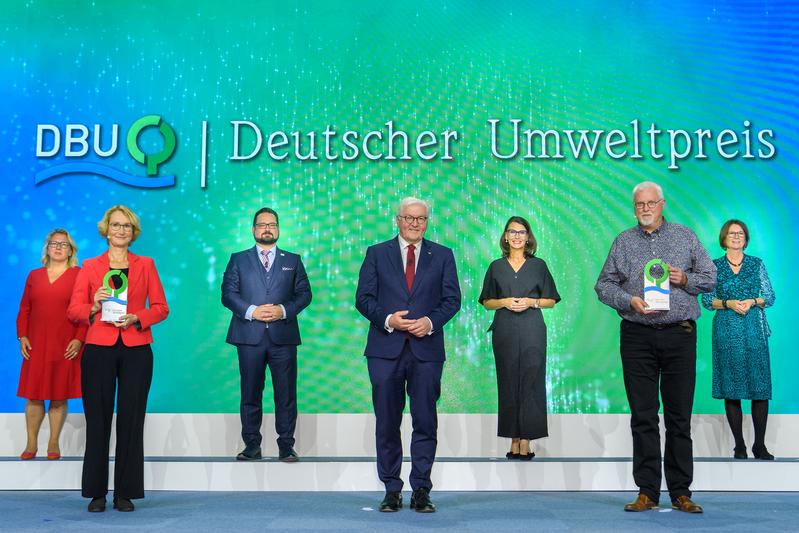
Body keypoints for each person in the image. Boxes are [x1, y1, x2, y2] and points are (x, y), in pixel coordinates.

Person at [595, 182, 716, 514]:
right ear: (634, 208)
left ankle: (681, 492)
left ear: (662, 204)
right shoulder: (623, 241)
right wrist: (628, 300)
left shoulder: (685, 236)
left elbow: (710, 276)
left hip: (680, 335)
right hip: (637, 336)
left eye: (650, 203)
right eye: (639, 205)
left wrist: (685, 280)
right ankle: (647, 491)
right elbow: (603, 285)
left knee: (679, 417)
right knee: (643, 416)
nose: (645, 209)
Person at [355, 197, 461, 513]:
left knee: (425, 421)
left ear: (427, 222)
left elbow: (452, 299)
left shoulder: (442, 255)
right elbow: (363, 298)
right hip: (385, 351)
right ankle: (391, 488)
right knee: (387, 422)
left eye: (421, 219)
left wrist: (430, 323)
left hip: (426, 351)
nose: (415, 224)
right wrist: (388, 319)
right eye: (409, 218)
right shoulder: (377, 253)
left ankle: (421, 490)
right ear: (398, 220)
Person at [68, 205, 169, 513]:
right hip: (98, 347)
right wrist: (94, 306)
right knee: (97, 421)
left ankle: (125, 492)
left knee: (131, 420)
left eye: (127, 226)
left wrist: (138, 317)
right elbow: (73, 311)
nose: (121, 230)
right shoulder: (89, 266)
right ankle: (96, 493)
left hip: (137, 348)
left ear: (133, 232)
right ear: (106, 229)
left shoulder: (146, 264)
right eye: (116, 225)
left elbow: (162, 307)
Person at [221, 207, 312, 463]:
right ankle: (252, 445)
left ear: (279, 229)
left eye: (272, 224)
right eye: (262, 225)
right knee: (250, 393)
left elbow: (305, 295)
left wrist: (283, 310)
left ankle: (286, 445)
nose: (267, 228)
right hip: (248, 336)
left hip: (283, 337)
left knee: (286, 394)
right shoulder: (238, 259)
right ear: (253, 230)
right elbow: (228, 294)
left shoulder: (292, 260)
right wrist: (252, 311)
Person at [479, 216, 560, 460]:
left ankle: (526, 440)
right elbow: (486, 302)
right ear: (505, 236)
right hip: (504, 329)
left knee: (531, 382)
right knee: (508, 382)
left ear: (528, 237)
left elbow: (552, 300)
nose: (516, 236)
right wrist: (504, 301)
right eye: (512, 232)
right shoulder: (496, 266)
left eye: (521, 232)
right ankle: (513, 439)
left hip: (532, 328)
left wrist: (531, 302)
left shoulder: (539, 265)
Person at [701, 220, 776, 460]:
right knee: (731, 387)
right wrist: (728, 303)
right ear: (724, 238)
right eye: (732, 233)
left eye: (740, 233)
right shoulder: (713, 266)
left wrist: (753, 301)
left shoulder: (756, 264)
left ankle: (760, 445)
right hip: (726, 329)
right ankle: (739, 445)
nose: (736, 236)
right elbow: (706, 300)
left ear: (746, 238)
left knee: (759, 386)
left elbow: (770, 296)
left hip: (754, 328)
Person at [16, 229, 85, 461]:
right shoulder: (34, 276)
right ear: (47, 248)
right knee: (33, 395)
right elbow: (24, 309)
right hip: (35, 343)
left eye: (63, 244)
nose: (58, 247)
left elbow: (87, 310)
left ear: (71, 250)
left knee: (58, 394)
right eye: (54, 243)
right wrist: (22, 336)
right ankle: (31, 442)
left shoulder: (79, 275)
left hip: (66, 343)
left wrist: (79, 338)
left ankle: (53, 442)